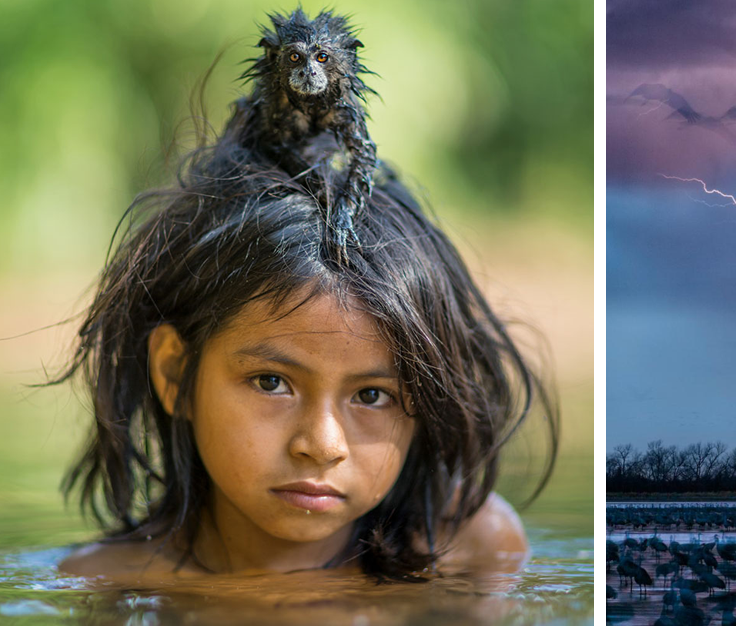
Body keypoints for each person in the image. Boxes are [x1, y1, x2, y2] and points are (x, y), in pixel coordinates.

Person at [53, 9, 557, 581]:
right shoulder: (108, 582)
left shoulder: (471, 554)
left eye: (373, 395)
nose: (322, 445)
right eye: (272, 382)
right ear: (175, 374)